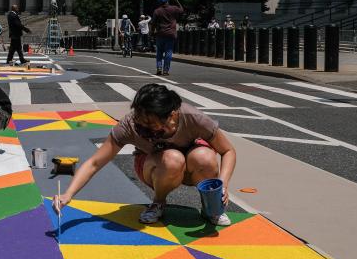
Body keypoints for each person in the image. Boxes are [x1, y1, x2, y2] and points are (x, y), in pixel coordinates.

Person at [53, 83, 236, 226]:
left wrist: (222, 184)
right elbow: (95, 162)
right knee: (173, 158)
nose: (141, 126)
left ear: (171, 116)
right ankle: (158, 203)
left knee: (204, 156)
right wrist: (68, 194)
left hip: (192, 168)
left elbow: (228, 151)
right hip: (155, 168)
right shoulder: (130, 124)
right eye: (139, 118)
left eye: (150, 123)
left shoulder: (192, 117)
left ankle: (211, 206)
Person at [150, 0, 183, 76]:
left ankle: (159, 68)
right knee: (168, 52)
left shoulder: (157, 11)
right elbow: (181, 10)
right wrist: (177, 1)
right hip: (171, 34)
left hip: (160, 34)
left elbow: (153, 23)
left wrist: (151, 32)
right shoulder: (173, 8)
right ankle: (165, 70)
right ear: (167, 1)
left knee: (159, 52)